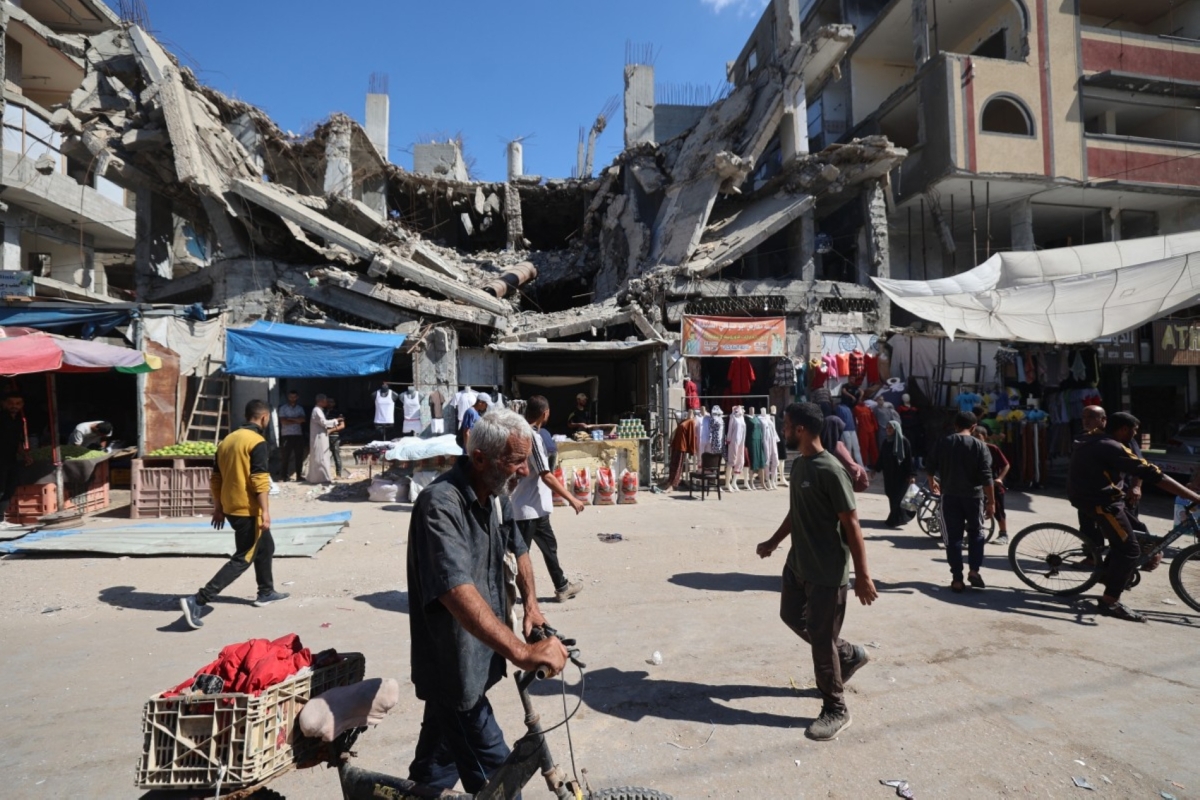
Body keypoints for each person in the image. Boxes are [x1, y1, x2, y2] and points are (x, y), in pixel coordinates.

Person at [406, 409, 569, 792]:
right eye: (515, 462)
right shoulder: (440, 505)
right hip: (455, 668)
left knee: (434, 770)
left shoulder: (496, 496)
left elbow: (519, 548)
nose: (525, 472)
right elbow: (454, 589)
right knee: (499, 781)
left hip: (476, 663)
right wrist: (522, 652)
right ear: (479, 458)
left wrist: (532, 606)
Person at [756, 402, 877, 742]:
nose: (782, 430)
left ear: (801, 430)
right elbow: (797, 512)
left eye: (786, 424)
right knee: (791, 616)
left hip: (826, 572)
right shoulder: (800, 465)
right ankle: (849, 655)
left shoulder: (830, 470)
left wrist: (863, 576)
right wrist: (773, 542)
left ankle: (836, 709)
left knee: (821, 643)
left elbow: (852, 524)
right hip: (798, 564)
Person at [1068, 411, 1200, 622]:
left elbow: (1142, 467)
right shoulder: (1110, 446)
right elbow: (1154, 474)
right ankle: (1109, 602)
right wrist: (1195, 497)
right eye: (1134, 431)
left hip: (1107, 498)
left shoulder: (1095, 439)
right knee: (1130, 550)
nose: (1135, 435)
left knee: (1138, 534)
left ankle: (1110, 573)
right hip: (1100, 502)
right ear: (1123, 429)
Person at [179, 400, 287, 629]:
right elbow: (259, 479)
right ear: (264, 418)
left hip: (229, 507)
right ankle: (198, 600)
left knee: (266, 547)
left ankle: (266, 591)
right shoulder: (257, 441)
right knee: (243, 557)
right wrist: (265, 511)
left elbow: (215, 478)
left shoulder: (226, 440)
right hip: (247, 509)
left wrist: (218, 508)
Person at [512, 396, 586, 602]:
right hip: (527, 509)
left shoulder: (519, 433)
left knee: (549, 547)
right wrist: (572, 498)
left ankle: (562, 586)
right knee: (519, 555)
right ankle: (503, 593)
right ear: (545, 414)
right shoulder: (532, 437)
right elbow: (546, 475)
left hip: (536, 508)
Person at [926, 411, 994, 593]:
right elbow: (987, 477)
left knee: (953, 538)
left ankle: (957, 579)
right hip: (974, 497)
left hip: (949, 496)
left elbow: (930, 464)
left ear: (955, 425)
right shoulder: (980, 446)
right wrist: (992, 502)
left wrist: (932, 480)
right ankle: (974, 570)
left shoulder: (944, 442)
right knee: (976, 533)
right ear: (973, 427)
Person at [973, 427, 1011, 544]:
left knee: (998, 510)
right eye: (973, 436)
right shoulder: (969, 449)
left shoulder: (992, 449)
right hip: (976, 485)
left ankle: (1003, 534)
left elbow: (1006, 465)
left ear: (985, 437)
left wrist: (999, 478)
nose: (976, 439)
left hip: (992, 483)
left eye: (978, 436)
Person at [878, 420, 915, 527]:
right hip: (889, 475)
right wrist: (876, 469)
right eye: (887, 428)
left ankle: (895, 520)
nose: (888, 430)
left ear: (896, 429)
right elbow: (882, 457)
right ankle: (897, 518)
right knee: (891, 495)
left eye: (891, 428)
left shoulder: (904, 442)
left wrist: (911, 475)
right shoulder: (886, 442)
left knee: (898, 498)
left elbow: (908, 459)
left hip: (901, 476)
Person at [0, 393, 31, 504]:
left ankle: (1, 518)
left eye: (18, 403)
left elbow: (16, 441)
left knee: (9, 489)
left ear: (22, 405)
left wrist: (24, 455)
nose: (14, 406)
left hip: (11, 459)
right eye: (11, 403)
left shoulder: (18, 421)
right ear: (4, 404)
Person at [306, 394, 335, 485]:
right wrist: (335, 421)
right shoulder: (317, 410)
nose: (327, 402)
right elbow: (324, 423)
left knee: (323, 457)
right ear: (321, 401)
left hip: (321, 436)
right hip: (319, 438)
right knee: (321, 458)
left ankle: (321, 477)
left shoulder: (319, 410)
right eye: (325, 401)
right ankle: (323, 478)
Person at [278, 390, 306, 481]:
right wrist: (296, 420)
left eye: (294, 397)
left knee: (299, 456)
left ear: (297, 397)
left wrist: (290, 419)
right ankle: (284, 476)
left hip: (298, 434)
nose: (292, 399)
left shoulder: (300, 408)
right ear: (288, 397)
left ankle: (299, 475)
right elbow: (283, 421)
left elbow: (302, 420)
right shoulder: (283, 408)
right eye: (291, 397)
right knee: (285, 456)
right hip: (286, 435)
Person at [326, 398, 346, 479]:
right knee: (324, 456)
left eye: (331, 402)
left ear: (334, 403)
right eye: (328, 402)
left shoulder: (338, 413)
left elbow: (342, 425)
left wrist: (331, 430)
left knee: (336, 455)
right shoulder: (323, 412)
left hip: (334, 436)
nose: (329, 403)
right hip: (324, 436)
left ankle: (338, 474)